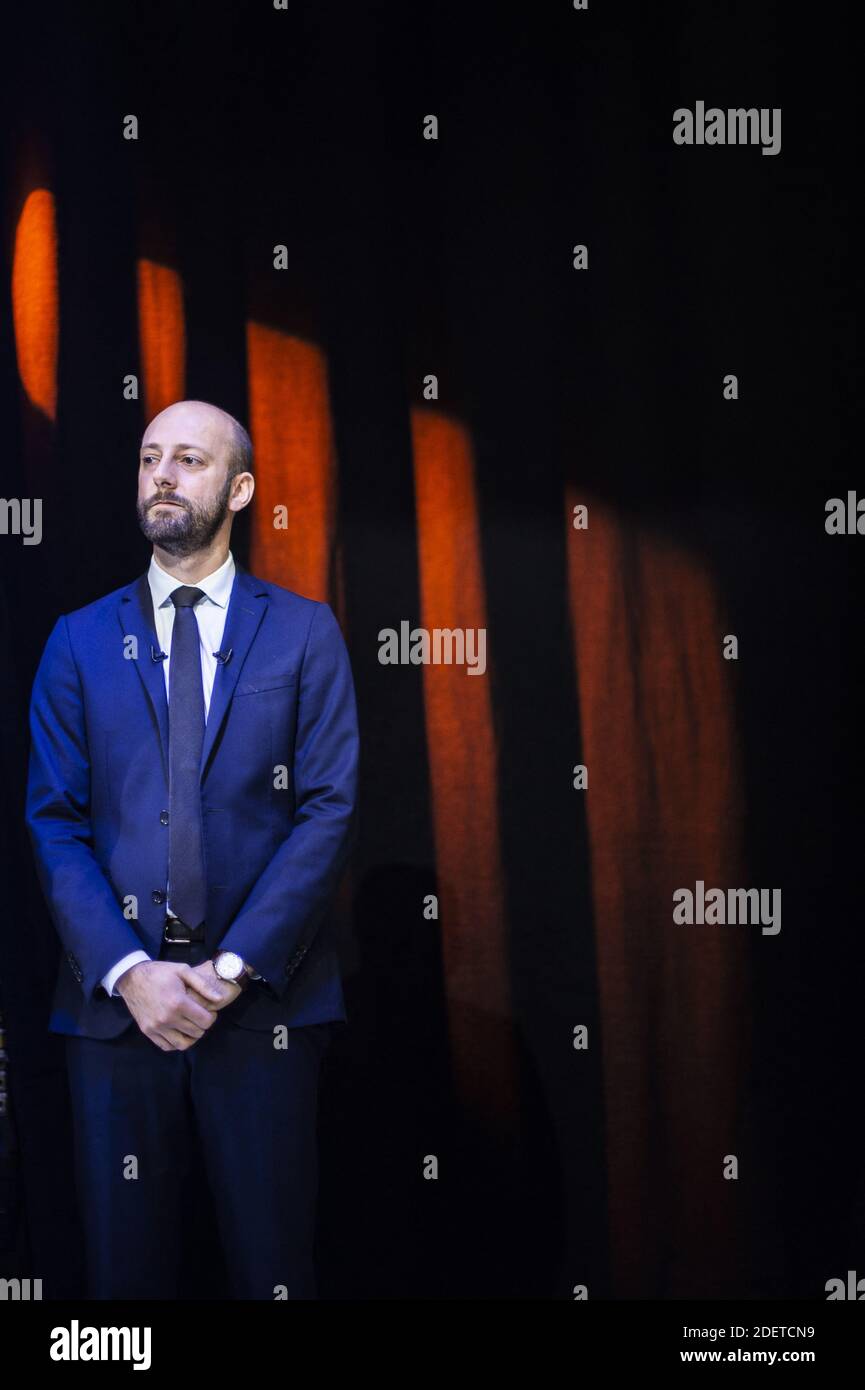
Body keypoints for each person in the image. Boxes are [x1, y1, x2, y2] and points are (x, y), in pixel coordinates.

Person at [25, 399, 359, 1299]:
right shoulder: (78, 641)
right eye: (148, 458)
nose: (163, 475)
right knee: (120, 1286)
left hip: (262, 1014)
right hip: (115, 1016)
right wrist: (131, 970)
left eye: (190, 460)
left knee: (272, 1272)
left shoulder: (302, 632)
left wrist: (229, 971)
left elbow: (326, 811)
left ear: (240, 488)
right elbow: (54, 820)